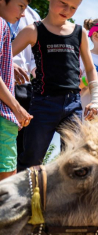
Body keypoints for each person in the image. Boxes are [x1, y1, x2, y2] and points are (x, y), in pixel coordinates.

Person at [14, 0, 98, 172]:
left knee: (75, 163)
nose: (67, 10)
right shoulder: (33, 30)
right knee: (31, 162)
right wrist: (10, 64)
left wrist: (96, 100)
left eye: (73, 8)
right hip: (42, 105)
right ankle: (26, 199)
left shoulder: (80, 32)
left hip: (73, 105)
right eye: (63, 3)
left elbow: (91, 69)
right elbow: (5, 54)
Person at [0, 0, 32, 182]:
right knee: (7, 183)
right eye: (20, 6)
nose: (22, 14)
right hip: (3, 114)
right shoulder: (1, 24)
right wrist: (16, 108)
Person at [11, 5, 40, 163]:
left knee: (21, 149)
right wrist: (7, 62)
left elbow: (35, 58)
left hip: (24, 88)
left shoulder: (32, 15)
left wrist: (43, 76)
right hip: (3, 82)